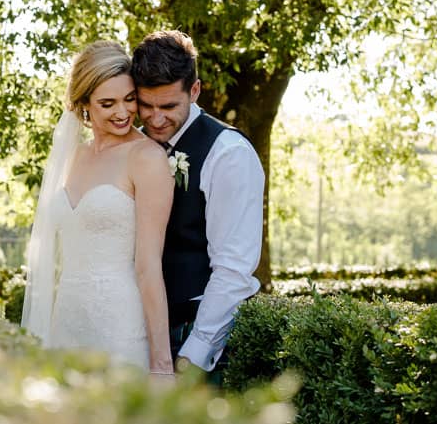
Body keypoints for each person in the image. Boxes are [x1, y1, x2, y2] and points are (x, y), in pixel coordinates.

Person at [22, 40, 176, 377]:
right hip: (66, 322)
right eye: (108, 103)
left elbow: (149, 266)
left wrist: (162, 363)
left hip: (119, 327)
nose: (123, 113)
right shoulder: (71, 157)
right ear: (83, 105)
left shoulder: (147, 159)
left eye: (129, 99)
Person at [130, 30, 264, 384]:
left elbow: (234, 269)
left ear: (195, 90)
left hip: (195, 337)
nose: (156, 119)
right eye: (146, 106)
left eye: (169, 107)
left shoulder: (228, 154)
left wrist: (194, 354)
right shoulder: (132, 148)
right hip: (128, 334)